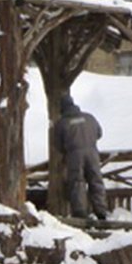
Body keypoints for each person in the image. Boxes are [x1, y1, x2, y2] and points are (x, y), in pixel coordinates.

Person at [53, 92, 111, 229]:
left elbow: (57, 145)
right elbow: (99, 133)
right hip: (92, 152)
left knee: (77, 182)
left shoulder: (62, 123)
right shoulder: (89, 117)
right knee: (96, 180)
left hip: (74, 155)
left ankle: (80, 213)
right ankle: (101, 211)